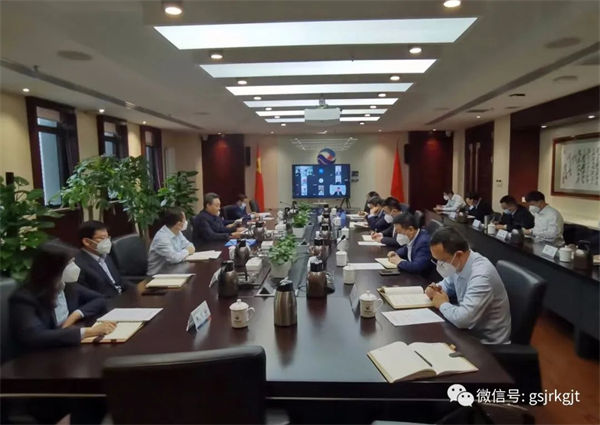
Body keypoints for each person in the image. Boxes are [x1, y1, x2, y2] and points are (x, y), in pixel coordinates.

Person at [9, 243, 115, 350]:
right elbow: (33, 336)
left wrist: (75, 315)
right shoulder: (24, 298)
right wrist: (88, 332)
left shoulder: (66, 285)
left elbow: (99, 298)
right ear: (52, 268)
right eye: (70, 263)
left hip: (66, 347)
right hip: (41, 354)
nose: (75, 267)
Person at [425, 227, 511, 344]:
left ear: (459, 254)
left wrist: (442, 304)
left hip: (486, 343)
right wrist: (434, 289)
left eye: (442, 261)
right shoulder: (458, 263)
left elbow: (463, 319)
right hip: (467, 332)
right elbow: (447, 285)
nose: (440, 265)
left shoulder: (481, 275)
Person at [75, 221, 131, 297]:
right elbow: (87, 295)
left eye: (108, 238)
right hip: (107, 302)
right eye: (103, 238)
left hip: (122, 297)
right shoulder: (78, 265)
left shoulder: (106, 256)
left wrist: (138, 289)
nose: (107, 241)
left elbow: (120, 281)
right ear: (87, 242)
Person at [147, 208, 195, 275]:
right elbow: (174, 258)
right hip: (158, 275)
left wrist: (185, 252)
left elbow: (190, 246)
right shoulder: (162, 238)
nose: (186, 222)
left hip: (174, 269)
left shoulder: (177, 231)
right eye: (184, 220)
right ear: (178, 224)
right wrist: (187, 251)